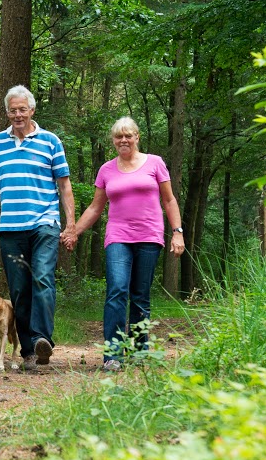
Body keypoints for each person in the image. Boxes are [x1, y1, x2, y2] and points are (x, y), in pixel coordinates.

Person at [61, 117, 185, 371]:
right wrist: (74, 232)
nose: (124, 140)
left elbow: (169, 201)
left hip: (149, 236)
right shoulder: (107, 170)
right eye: (119, 137)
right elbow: (96, 208)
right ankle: (113, 355)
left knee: (140, 295)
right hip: (118, 237)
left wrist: (177, 232)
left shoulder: (155, 163)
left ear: (137, 137)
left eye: (128, 135)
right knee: (117, 290)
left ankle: (140, 352)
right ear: (113, 141)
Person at [0, 85, 76, 370]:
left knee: (43, 280)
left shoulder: (50, 141)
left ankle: (41, 339)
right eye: (13, 110)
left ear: (32, 110)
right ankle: (28, 352)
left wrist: (70, 224)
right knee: (20, 290)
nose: (18, 115)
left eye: (23, 109)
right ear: (7, 112)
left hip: (45, 224)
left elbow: (64, 184)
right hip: (10, 228)